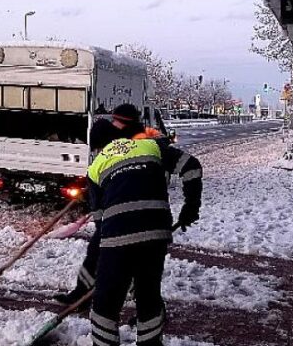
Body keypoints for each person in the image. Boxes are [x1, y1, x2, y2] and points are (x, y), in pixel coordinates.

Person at [54, 106, 203, 308]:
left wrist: (190, 207)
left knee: (140, 270)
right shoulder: (122, 140)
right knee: (100, 253)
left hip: (143, 217)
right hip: (134, 218)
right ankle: (83, 293)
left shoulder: (146, 143)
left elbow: (190, 166)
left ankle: (145, 308)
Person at [83, 119, 175, 346]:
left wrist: (102, 265)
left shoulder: (96, 165)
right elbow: (177, 155)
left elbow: (100, 222)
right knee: (148, 296)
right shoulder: (149, 145)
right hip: (157, 232)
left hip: (119, 235)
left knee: (104, 306)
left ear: (98, 146)